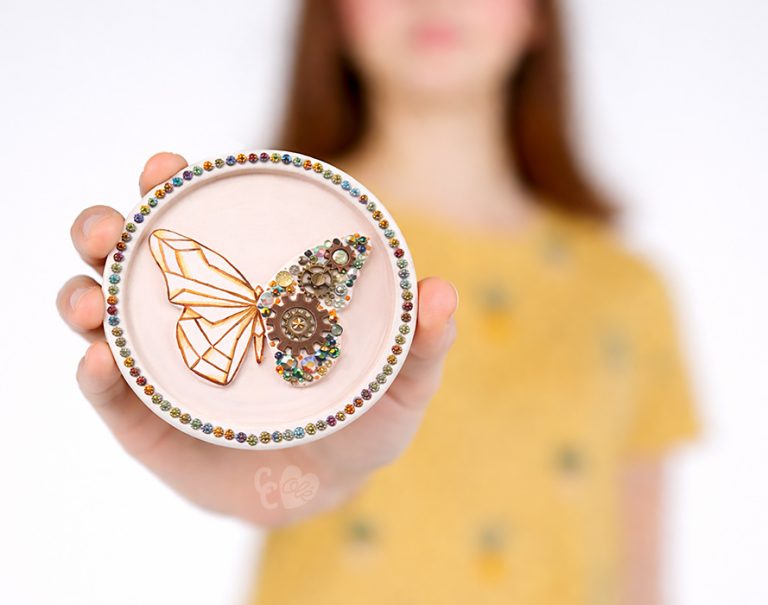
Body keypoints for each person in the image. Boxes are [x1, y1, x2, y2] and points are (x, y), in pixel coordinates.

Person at [57, 1, 698, 603]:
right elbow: (282, 487)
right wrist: (276, 482)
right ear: (334, 16)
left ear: (538, 17)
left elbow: (639, 572)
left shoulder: (626, 291)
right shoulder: (255, 228)